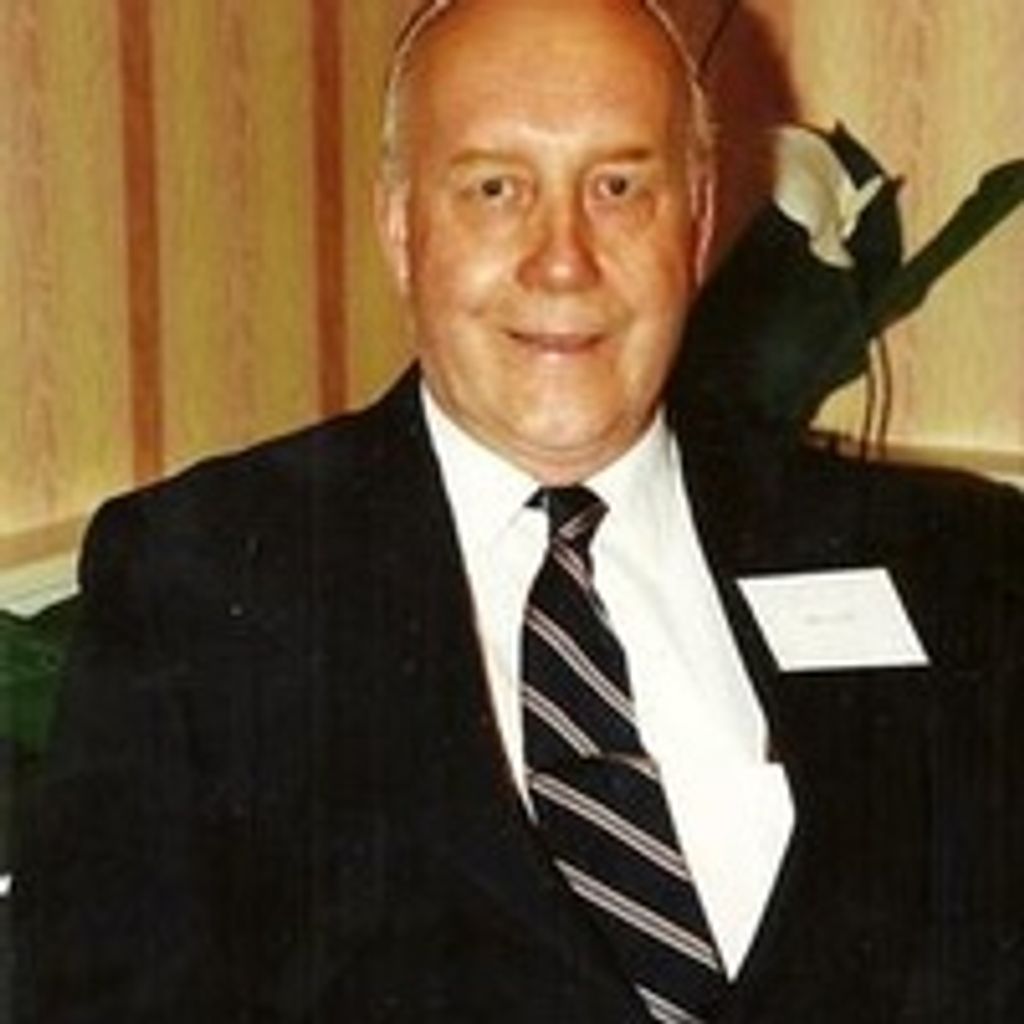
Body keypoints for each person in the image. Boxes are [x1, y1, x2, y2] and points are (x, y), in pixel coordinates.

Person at [14, 0, 1024, 1021]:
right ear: (401, 228)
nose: (562, 260)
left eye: (618, 186)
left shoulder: (947, 557)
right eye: (495, 189)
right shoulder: (201, 582)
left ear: (697, 219)